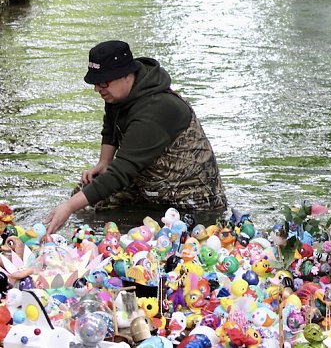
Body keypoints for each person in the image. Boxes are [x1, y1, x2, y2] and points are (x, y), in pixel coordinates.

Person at [44, 40, 227, 235]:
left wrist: (68, 207)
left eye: (103, 82)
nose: (98, 89)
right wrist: (104, 162)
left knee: (153, 234)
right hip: (148, 185)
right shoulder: (118, 93)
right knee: (86, 199)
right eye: (96, 83)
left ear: (126, 75)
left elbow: (122, 171)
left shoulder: (157, 108)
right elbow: (110, 124)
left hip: (188, 199)